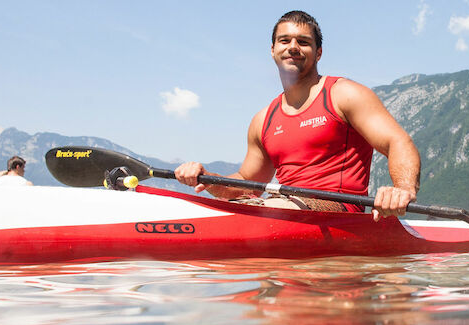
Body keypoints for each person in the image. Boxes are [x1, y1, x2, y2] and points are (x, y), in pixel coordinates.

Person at [174, 10, 420, 221]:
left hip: (339, 212)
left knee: (266, 212)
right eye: (284, 40)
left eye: (303, 42)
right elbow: (247, 182)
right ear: (273, 50)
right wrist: (209, 179)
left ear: (319, 52)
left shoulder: (344, 94)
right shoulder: (263, 120)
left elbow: (397, 142)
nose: (293, 47)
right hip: (280, 208)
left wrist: (403, 189)